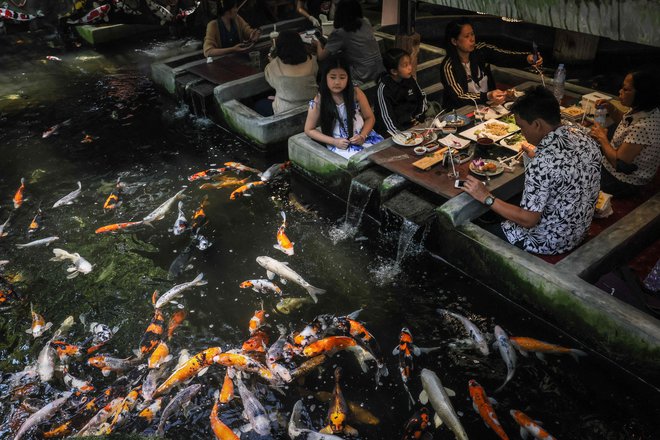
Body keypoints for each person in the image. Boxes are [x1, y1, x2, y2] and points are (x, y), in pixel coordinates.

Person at [463, 86, 602, 255]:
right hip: (578, 230)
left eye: (522, 127)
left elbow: (528, 220)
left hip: (549, 241)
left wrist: (486, 196)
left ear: (537, 124)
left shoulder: (543, 162)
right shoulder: (584, 137)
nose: (522, 133)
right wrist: (536, 156)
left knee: (471, 235)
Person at [440, 18, 542, 109]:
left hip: (489, 106)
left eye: (472, 34)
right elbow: (460, 96)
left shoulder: (481, 50)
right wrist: (488, 95)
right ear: (454, 41)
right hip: (464, 112)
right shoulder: (448, 67)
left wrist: (527, 58)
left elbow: (504, 56)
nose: (472, 39)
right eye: (467, 36)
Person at [590, 70, 660, 197]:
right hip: (619, 168)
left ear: (641, 95)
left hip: (623, 181)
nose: (620, 92)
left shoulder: (643, 127)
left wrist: (602, 138)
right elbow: (626, 122)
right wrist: (611, 108)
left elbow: (619, 164)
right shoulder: (647, 111)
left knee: (577, 171)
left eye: (626, 89)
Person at [304, 56, 383, 159]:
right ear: (325, 77)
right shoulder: (319, 99)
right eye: (332, 77)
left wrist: (363, 136)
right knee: (359, 161)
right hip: (339, 144)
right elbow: (309, 129)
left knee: (383, 155)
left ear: (348, 78)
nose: (337, 82)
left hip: (364, 137)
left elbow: (370, 118)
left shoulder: (356, 93)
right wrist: (334, 141)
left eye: (342, 77)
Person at [313, 0, 383, 84]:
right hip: (379, 70)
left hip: (362, 74)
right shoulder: (365, 21)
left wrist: (317, 44)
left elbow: (321, 57)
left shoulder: (340, 32)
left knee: (333, 65)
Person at [256, 30, 318, 116]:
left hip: (285, 111)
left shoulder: (274, 65)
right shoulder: (312, 60)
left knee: (259, 104)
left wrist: (271, 62)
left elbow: (272, 82)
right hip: (312, 107)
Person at [376, 48, 428, 133]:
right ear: (394, 71)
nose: (410, 68)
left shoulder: (410, 79)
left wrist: (419, 118)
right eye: (405, 65)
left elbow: (422, 97)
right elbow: (386, 119)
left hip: (415, 124)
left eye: (410, 64)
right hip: (396, 131)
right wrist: (402, 135)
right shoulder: (384, 89)